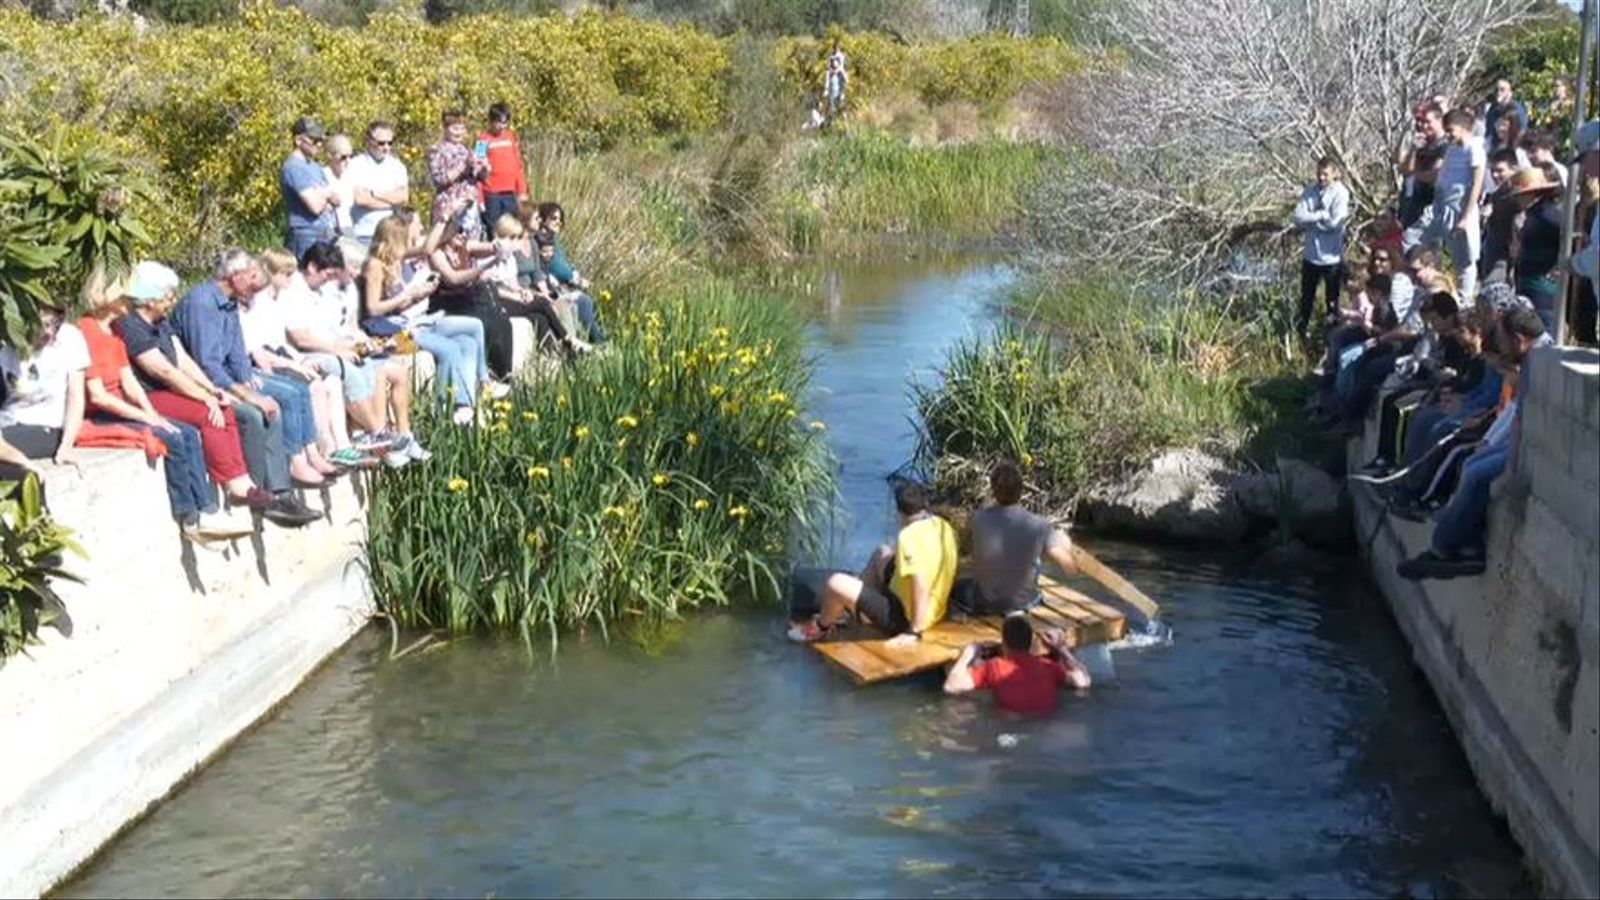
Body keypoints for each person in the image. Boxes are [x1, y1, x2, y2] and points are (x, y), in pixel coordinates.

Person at [114, 261, 318, 527]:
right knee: (207, 414)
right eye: (166, 296)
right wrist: (203, 397)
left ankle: (244, 483)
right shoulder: (130, 325)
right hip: (148, 395)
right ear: (149, 299)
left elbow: (183, 360)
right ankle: (237, 487)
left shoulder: (160, 322)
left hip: (170, 389)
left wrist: (213, 390)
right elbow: (162, 371)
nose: (172, 300)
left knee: (225, 409)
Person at [74, 274, 255, 544]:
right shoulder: (87, 330)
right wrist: (146, 416)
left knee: (187, 433)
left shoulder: (115, 332)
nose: (132, 304)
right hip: (103, 411)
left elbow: (129, 382)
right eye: (127, 299)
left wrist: (152, 414)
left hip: (123, 403)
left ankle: (207, 511)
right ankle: (189, 517)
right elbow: (99, 397)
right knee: (174, 437)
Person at [170, 249, 339, 497]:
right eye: (252, 277)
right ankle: (274, 483)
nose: (257, 283)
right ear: (234, 275)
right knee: (261, 410)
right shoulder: (202, 303)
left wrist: (247, 376)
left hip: (230, 374)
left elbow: (237, 351)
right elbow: (207, 365)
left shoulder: (229, 302)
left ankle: (304, 458)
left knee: (297, 391)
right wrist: (247, 393)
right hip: (207, 381)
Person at [1396, 307, 1545, 580]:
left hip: (1530, 446)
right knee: (1472, 463)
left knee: (1476, 473)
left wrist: (1510, 468)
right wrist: (1489, 442)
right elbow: (1515, 414)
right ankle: (1467, 543)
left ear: (1520, 339)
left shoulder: (1537, 367)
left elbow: (1518, 418)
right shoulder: (1529, 363)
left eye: (1502, 340)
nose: (1499, 346)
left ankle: (1442, 547)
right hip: (1514, 438)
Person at [282, 240, 428, 468]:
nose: (327, 280)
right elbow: (301, 338)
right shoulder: (297, 291)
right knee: (352, 369)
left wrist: (363, 343)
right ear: (312, 268)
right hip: (306, 354)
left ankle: (403, 435)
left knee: (388, 369)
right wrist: (340, 349)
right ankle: (378, 433)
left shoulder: (324, 289)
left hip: (331, 346)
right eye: (327, 274)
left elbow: (343, 327)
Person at [361, 209, 496, 426]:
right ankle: (443, 410)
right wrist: (410, 295)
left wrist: (453, 215)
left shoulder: (398, 260)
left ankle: (467, 405)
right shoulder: (375, 266)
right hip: (397, 330)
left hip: (415, 320)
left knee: (469, 341)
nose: (412, 240)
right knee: (450, 348)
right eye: (407, 236)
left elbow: (428, 246)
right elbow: (373, 308)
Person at [786, 481, 958, 647]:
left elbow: (920, 582)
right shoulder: (943, 527)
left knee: (835, 583)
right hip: (935, 609)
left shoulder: (908, 537)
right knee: (881, 553)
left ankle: (821, 628)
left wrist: (914, 630)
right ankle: (851, 611)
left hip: (904, 618)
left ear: (899, 513)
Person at [242, 249, 362, 468]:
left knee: (332, 381)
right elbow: (258, 348)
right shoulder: (257, 303)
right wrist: (293, 364)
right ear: (272, 273)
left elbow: (284, 342)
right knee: (314, 386)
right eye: (286, 274)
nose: (290, 279)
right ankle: (321, 446)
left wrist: (299, 360)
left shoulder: (276, 300)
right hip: (268, 360)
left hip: (284, 355)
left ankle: (341, 445)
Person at [950, 461, 1080, 616]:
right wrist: (1066, 543)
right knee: (1034, 561)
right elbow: (1070, 569)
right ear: (1021, 490)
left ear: (993, 491)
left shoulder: (978, 519)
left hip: (985, 603)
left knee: (959, 586)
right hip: (1021, 602)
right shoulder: (1039, 525)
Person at [943, 615, 1090, 715]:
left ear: (1004, 645)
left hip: (1009, 729)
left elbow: (951, 686)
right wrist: (1061, 649)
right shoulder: (1049, 666)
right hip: (1046, 724)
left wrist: (968, 654)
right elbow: (1083, 681)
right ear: (1030, 644)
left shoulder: (995, 667)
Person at [1428, 108, 1487, 304]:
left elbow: (1476, 184)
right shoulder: (1452, 150)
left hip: (1463, 211)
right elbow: (1442, 179)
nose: (1448, 134)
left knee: (1466, 259)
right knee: (1440, 252)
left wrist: (1465, 217)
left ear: (1462, 128)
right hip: (1445, 208)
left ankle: (1465, 299)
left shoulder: (1474, 148)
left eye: (1451, 129)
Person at [1291, 156, 1350, 339]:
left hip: (1331, 258)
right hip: (1310, 257)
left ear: (1335, 174)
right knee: (1306, 299)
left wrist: (1312, 223)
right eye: (1319, 173)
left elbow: (1335, 224)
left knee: (1332, 302)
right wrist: (1320, 215)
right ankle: (1300, 335)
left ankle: (1330, 338)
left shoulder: (1341, 193)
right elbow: (1299, 216)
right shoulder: (1310, 190)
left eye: (1325, 174)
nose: (1321, 178)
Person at [533, 201, 607, 344]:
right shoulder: (541, 242)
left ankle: (596, 334)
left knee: (591, 301)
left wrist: (574, 273)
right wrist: (575, 278)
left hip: (560, 283)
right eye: (554, 218)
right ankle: (598, 340)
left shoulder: (554, 240)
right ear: (543, 219)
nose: (558, 222)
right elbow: (557, 268)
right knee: (584, 300)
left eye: (560, 219)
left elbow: (565, 263)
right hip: (551, 286)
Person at [280, 117, 340, 259]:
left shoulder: (315, 166)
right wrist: (326, 194)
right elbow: (315, 206)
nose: (319, 144)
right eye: (314, 140)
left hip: (325, 232)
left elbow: (337, 201)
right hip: (305, 235)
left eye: (321, 140)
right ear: (298, 140)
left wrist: (324, 194)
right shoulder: (293, 167)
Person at [427, 109, 487, 241]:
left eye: (462, 129)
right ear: (445, 128)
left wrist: (484, 167)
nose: (459, 132)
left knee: (470, 249)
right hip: (449, 206)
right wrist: (463, 166)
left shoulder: (467, 150)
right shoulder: (436, 150)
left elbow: (480, 177)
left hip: (469, 207)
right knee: (448, 246)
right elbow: (440, 179)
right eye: (455, 128)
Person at [347, 120, 410, 245]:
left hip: (390, 234)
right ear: (369, 141)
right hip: (364, 233)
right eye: (381, 143)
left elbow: (403, 198)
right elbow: (360, 199)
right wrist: (391, 201)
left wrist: (375, 194)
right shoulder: (355, 164)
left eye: (390, 143)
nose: (386, 147)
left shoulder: (397, 166)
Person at [476, 102, 528, 236]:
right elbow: (477, 170)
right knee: (493, 230)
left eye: (505, 123)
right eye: (498, 122)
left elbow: (517, 166)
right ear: (491, 121)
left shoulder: (511, 137)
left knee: (511, 228)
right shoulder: (482, 140)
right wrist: (480, 199)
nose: (502, 126)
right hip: (491, 193)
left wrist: (521, 191)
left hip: (510, 193)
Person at [1478, 148, 1522, 285]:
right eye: (1492, 171)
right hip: (1493, 252)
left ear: (1514, 169)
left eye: (1500, 170)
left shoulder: (1521, 195)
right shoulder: (1496, 195)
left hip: (1510, 256)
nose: (1495, 175)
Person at [322, 133, 356, 238]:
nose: (348, 161)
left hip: (348, 228)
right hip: (327, 230)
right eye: (343, 157)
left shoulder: (350, 176)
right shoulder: (322, 176)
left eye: (351, 156)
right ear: (330, 156)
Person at [1482, 79, 1529, 155]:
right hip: (1493, 149)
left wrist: (1512, 151)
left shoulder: (1516, 109)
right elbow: (1488, 132)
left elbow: (1522, 132)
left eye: (1502, 90)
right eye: (1496, 90)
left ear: (1510, 93)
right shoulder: (1492, 109)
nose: (1499, 93)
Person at [824, 42, 848, 120]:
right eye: (834, 48)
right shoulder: (830, 57)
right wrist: (826, 88)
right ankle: (834, 119)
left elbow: (842, 67)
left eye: (836, 48)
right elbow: (828, 68)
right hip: (832, 81)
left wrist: (839, 71)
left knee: (841, 100)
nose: (835, 49)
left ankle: (843, 118)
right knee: (832, 103)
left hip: (840, 80)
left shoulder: (841, 56)